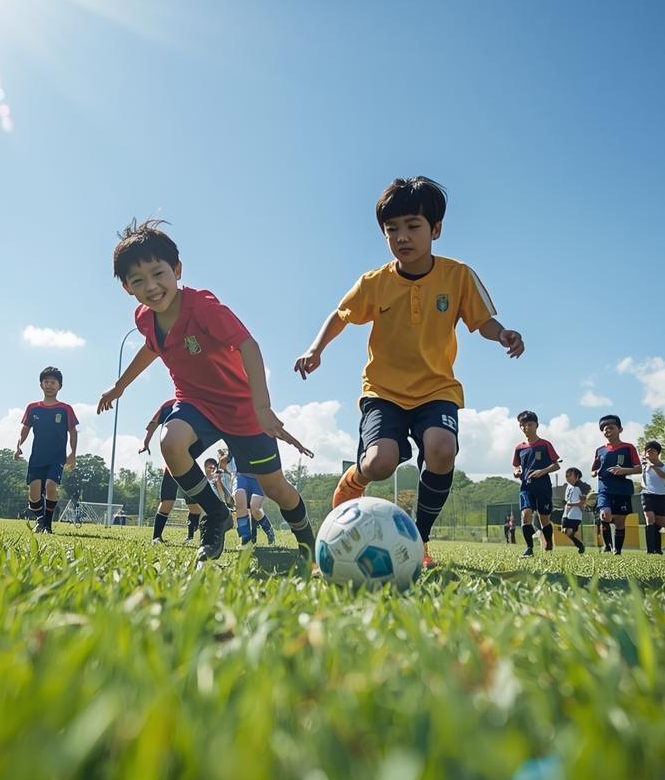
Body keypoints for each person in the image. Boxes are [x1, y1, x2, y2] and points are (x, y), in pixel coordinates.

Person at [295, 176, 524, 567]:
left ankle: (419, 539)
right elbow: (341, 314)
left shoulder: (458, 276)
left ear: (436, 229)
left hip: (437, 389)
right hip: (383, 391)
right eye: (392, 229)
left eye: (413, 226)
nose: (402, 237)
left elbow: (482, 320)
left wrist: (502, 333)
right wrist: (315, 349)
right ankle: (353, 482)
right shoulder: (374, 282)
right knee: (380, 462)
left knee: (442, 450)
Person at [98, 219, 318, 568]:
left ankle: (310, 545)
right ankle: (216, 515)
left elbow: (248, 345)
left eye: (158, 273)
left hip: (242, 410)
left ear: (177, 270)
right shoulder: (144, 318)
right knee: (171, 443)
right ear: (127, 287)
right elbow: (152, 346)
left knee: (275, 488)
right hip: (194, 403)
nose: (151, 286)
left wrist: (262, 407)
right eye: (138, 280)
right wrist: (120, 385)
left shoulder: (203, 308)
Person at [16, 366, 78, 534]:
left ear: (60, 386)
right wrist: (18, 445)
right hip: (37, 458)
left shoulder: (65, 409)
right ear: (41, 384)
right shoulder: (32, 408)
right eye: (46, 382)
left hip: (57, 457)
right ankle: (40, 520)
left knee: (51, 485)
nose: (49, 385)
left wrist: (73, 453)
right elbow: (25, 428)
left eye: (53, 382)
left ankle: (48, 526)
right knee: (34, 494)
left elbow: (73, 431)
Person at [140, 399, 206, 544]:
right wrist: (146, 442)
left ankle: (190, 538)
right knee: (167, 501)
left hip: (189, 464)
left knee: (194, 506)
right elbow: (153, 423)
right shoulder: (170, 404)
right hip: (173, 464)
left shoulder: (198, 404)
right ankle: (156, 537)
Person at [512, 410, 561, 556]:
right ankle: (529, 548)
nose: (526, 427)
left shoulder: (545, 444)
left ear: (536, 425)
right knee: (525, 515)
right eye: (523, 425)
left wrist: (541, 472)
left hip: (543, 486)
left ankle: (548, 541)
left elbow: (556, 465)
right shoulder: (519, 448)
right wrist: (516, 472)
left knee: (544, 518)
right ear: (520, 427)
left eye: (530, 424)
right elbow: (516, 466)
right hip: (526, 487)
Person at [592, 415, 641, 555]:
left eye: (611, 427)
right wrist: (595, 473)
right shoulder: (600, 450)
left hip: (622, 489)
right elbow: (593, 469)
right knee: (605, 515)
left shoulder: (628, 448)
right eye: (604, 429)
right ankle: (607, 546)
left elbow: (639, 468)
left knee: (620, 521)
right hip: (604, 489)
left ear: (620, 429)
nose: (607, 430)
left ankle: (617, 550)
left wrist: (624, 470)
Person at [225, 449, 278, 546]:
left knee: (255, 509)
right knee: (240, 502)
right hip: (240, 477)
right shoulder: (234, 448)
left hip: (259, 479)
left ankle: (268, 530)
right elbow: (230, 468)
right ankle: (246, 539)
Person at [641, 439, 665, 554]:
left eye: (652, 450)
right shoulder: (643, 466)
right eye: (647, 451)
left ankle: (657, 549)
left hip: (662, 495)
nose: (649, 452)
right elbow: (633, 469)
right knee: (649, 518)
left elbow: (664, 476)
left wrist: (653, 466)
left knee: (660, 523)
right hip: (647, 494)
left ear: (658, 453)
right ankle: (650, 550)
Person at [560, 467, 588, 552]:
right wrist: (567, 503)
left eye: (570, 475)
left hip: (575, 514)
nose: (567, 477)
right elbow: (567, 500)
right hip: (566, 513)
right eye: (566, 475)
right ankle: (580, 545)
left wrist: (572, 504)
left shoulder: (581, 487)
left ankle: (580, 546)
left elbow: (583, 502)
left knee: (568, 532)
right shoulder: (568, 486)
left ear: (577, 476)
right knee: (565, 531)